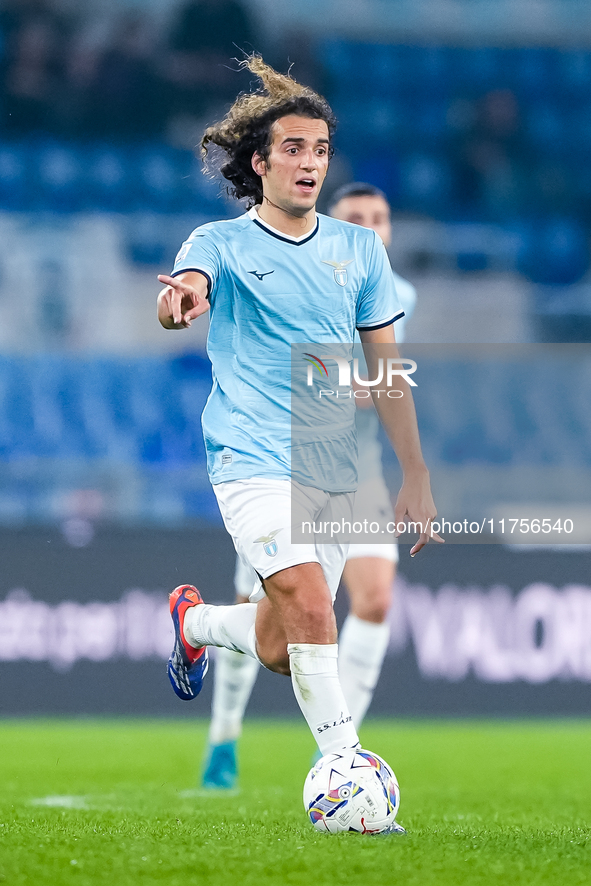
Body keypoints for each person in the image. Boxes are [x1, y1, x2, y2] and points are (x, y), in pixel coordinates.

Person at [157, 56, 441, 785]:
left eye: (319, 150)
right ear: (259, 162)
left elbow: (385, 369)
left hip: (331, 462)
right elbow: (186, 287)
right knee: (313, 603)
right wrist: (180, 300)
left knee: (284, 644)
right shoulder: (218, 242)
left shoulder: (358, 252)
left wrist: (414, 472)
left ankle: (193, 626)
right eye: (292, 148)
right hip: (248, 455)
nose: (309, 162)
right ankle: (346, 770)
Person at [201, 182, 418, 789]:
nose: (369, 227)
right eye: (356, 217)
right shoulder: (299, 267)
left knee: (373, 601)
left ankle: (345, 753)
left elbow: (387, 377)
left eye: (380, 217)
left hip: (356, 467)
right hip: (273, 455)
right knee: (268, 622)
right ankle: (225, 738)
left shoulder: (396, 289)